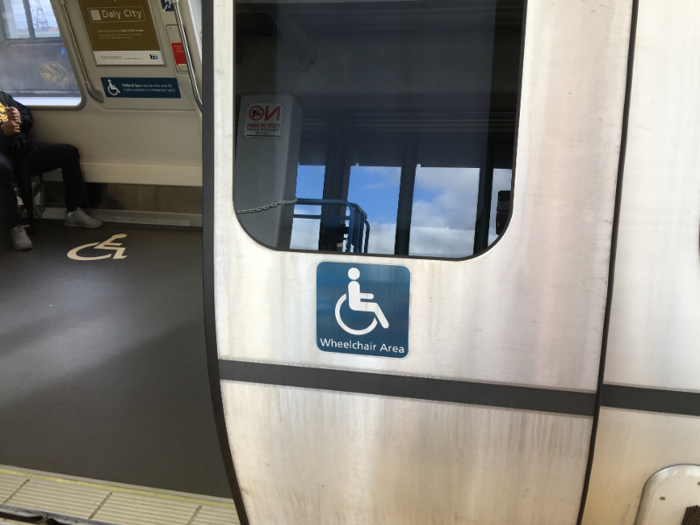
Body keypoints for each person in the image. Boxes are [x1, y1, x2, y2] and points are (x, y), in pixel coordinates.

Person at [0, 90, 102, 251]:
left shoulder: (2, 96)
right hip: (2, 153)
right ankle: (15, 226)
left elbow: (26, 115)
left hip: (21, 148)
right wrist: (2, 132)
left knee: (68, 152)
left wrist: (20, 119)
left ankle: (74, 211)